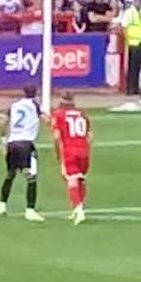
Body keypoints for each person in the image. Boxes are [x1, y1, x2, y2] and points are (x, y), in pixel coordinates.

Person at [0, 83, 45, 222]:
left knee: (10, 175)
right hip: (26, 144)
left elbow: (2, 122)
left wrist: (3, 141)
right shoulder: (34, 105)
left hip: (12, 143)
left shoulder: (14, 106)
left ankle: (2, 206)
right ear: (36, 92)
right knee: (31, 177)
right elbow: (46, 118)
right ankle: (30, 210)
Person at [50, 90, 93, 224]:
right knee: (81, 178)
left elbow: (57, 137)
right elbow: (90, 136)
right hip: (83, 150)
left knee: (72, 179)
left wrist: (58, 154)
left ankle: (79, 210)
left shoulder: (58, 114)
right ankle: (78, 207)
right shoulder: (82, 114)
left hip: (69, 150)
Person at [117, 0, 141, 104]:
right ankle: (130, 88)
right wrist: (127, 38)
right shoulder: (129, 12)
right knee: (132, 65)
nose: (137, 3)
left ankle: (136, 87)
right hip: (133, 41)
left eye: (139, 1)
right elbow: (124, 26)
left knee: (138, 66)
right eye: (136, 1)